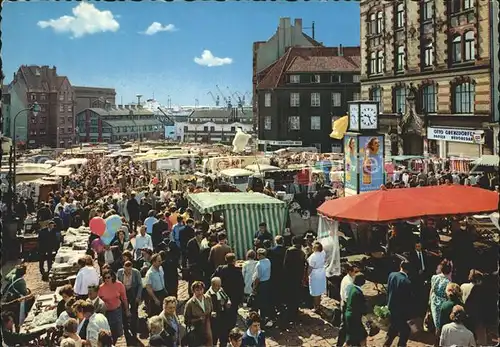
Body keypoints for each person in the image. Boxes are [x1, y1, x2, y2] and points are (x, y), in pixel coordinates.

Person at [212, 253, 245, 331]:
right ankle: (231, 329)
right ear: (234, 261)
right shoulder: (237, 271)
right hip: (234, 297)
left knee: (222, 312)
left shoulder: (220, 269)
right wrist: (241, 298)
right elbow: (241, 285)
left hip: (222, 295)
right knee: (233, 314)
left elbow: (213, 278)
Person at [384, 261, 412, 347]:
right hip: (400, 312)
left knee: (393, 329)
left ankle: (386, 345)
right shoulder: (406, 281)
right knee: (406, 331)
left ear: (400, 266)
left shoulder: (391, 275)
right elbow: (406, 300)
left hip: (391, 307)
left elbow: (388, 290)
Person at [98, 269, 130, 343]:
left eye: (108, 277)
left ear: (112, 277)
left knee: (117, 331)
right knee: (108, 331)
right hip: (107, 312)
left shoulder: (119, 285)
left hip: (117, 311)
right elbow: (98, 301)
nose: (107, 279)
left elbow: (124, 298)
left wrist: (127, 310)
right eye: (105, 278)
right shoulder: (101, 288)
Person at [282, 236, 306, 323]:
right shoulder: (302, 252)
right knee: (296, 293)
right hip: (298, 276)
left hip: (289, 276)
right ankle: (295, 310)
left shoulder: (289, 251)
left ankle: (290, 312)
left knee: (290, 294)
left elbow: (285, 264)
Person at [117, 260, 142, 339]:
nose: (128, 272)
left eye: (129, 270)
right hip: (123, 291)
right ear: (123, 267)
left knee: (134, 311)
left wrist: (138, 296)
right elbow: (117, 284)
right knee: (123, 311)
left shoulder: (136, 272)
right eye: (126, 270)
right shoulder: (120, 272)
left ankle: (134, 328)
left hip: (133, 292)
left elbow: (140, 285)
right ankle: (126, 328)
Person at [183, 281, 213, 347]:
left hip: (208, 326)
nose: (200, 292)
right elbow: (187, 320)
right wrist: (198, 319)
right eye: (197, 290)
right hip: (197, 329)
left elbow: (211, 310)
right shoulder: (190, 304)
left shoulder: (208, 298)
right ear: (193, 291)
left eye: (201, 289)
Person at [336, 263, 359, 347]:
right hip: (347, 305)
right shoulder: (349, 283)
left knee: (346, 326)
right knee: (346, 327)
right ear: (350, 271)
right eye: (355, 272)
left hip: (344, 303)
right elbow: (347, 297)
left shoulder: (347, 278)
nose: (356, 273)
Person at [430, 260, 452, 339]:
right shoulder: (448, 282)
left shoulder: (434, 277)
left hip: (434, 300)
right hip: (443, 303)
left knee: (436, 323)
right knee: (441, 324)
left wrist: (429, 301)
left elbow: (432, 290)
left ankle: (436, 340)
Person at [207, 277, 232, 346]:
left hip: (223, 317)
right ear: (213, 285)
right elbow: (206, 309)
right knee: (214, 338)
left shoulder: (220, 290)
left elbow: (227, 298)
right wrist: (211, 313)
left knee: (223, 337)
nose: (219, 287)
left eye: (220, 285)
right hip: (214, 321)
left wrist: (228, 302)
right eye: (217, 285)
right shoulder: (208, 295)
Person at [344, 273, 368, 346]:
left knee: (351, 339)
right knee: (362, 336)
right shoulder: (358, 293)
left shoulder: (352, 288)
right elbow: (362, 308)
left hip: (349, 316)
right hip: (354, 318)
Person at [253, 248, 273, 327]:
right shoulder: (268, 261)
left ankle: (262, 319)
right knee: (266, 300)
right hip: (268, 282)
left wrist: (254, 287)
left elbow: (257, 278)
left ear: (260, 255)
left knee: (261, 301)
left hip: (261, 283)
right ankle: (266, 317)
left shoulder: (259, 264)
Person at [268, 235, 286, 317]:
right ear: (282, 241)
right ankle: (282, 302)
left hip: (274, 273)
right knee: (282, 287)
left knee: (275, 289)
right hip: (283, 272)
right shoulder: (286, 250)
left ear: (275, 242)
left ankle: (276, 303)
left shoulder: (271, 251)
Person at [307, 241, 326, 312]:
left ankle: (316, 307)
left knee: (315, 291)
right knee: (319, 289)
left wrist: (307, 275)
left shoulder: (313, 256)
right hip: (321, 272)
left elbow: (310, 268)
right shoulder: (323, 253)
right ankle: (318, 304)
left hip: (315, 273)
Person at [186, 229, 204, 296]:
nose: (202, 236)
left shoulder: (201, 242)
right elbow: (188, 254)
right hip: (193, 264)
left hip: (199, 264)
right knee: (192, 279)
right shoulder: (191, 242)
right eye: (200, 234)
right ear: (197, 235)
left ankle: (198, 291)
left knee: (198, 278)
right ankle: (191, 293)